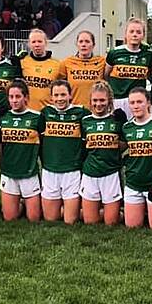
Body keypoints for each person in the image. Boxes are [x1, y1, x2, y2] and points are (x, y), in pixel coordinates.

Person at [121, 87, 152, 230]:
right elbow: (118, 149)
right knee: (132, 226)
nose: (136, 106)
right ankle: (145, 210)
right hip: (133, 183)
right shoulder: (127, 127)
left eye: (139, 102)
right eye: (132, 103)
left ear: (148, 103)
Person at [40, 80, 88, 224]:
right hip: (50, 170)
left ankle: (89, 209)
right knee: (50, 219)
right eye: (56, 95)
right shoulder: (45, 113)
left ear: (70, 95)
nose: (60, 98)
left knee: (70, 221)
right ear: (51, 97)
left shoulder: (81, 113)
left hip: (72, 171)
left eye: (63, 94)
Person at [80, 81, 125, 225]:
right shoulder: (85, 121)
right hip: (90, 173)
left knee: (111, 222)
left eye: (102, 100)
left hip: (111, 173)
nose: (98, 104)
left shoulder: (116, 120)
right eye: (95, 100)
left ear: (109, 101)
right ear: (90, 101)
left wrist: (122, 126)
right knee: (90, 222)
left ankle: (129, 210)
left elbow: (124, 146)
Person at [0, 80, 45, 222]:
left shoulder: (37, 118)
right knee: (9, 218)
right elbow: (0, 146)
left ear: (26, 97)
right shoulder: (3, 117)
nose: (14, 100)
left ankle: (30, 202)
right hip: (9, 173)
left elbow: (43, 146)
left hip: (29, 173)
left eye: (18, 96)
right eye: (11, 97)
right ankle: (18, 202)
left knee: (34, 218)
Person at [105, 18, 152, 119]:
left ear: (143, 35)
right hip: (117, 99)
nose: (134, 34)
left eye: (138, 32)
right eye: (131, 31)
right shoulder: (115, 53)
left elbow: (149, 75)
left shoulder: (148, 54)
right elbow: (105, 75)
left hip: (137, 101)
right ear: (126, 34)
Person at [58, 30, 106, 110]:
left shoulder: (101, 62)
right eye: (81, 42)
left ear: (93, 45)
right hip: (74, 110)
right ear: (77, 45)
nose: (84, 45)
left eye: (87, 42)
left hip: (95, 110)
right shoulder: (66, 62)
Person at [15, 28, 61, 111]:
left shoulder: (57, 64)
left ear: (46, 43)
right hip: (27, 112)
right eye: (33, 42)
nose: (37, 45)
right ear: (29, 44)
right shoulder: (22, 62)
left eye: (40, 41)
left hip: (48, 112)